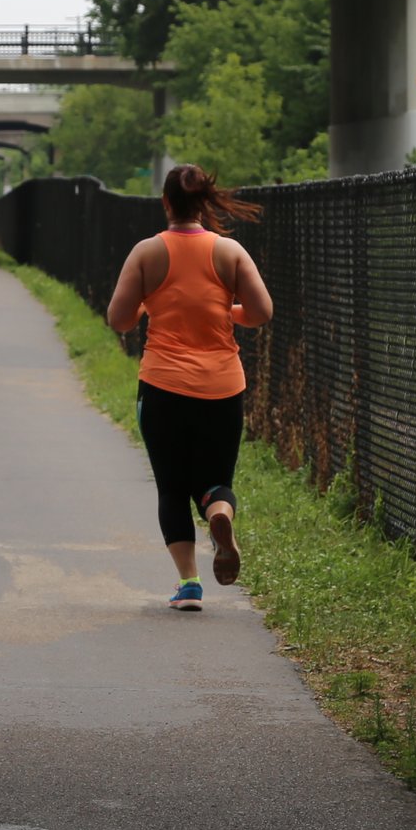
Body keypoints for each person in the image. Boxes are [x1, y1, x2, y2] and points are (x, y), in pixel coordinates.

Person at [103, 164, 273, 612]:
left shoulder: (146, 252)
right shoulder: (230, 251)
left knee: (172, 487)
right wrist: (224, 311)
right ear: (203, 203)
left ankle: (190, 584)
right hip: (223, 387)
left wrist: (147, 306)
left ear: (165, 202)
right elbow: (261, 312)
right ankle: (219, 514)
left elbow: (118, 319)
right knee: (215, 480)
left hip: (163, 386)